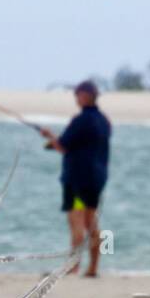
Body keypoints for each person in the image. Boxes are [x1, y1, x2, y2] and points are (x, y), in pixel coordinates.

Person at [37, 80, 111, 277]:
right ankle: (93, 267)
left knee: (76, 221)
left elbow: (63, 146)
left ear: (85, 96)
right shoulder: (104, 121)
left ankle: (74, 266)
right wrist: (56, 142)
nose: (76, 99)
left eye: (77, 95)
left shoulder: (80, 120)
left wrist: (49, 136)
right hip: (97, 179)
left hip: (77, 179)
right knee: (91, 222)